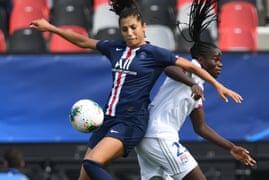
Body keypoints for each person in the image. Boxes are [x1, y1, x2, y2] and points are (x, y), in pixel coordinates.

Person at [30, 0, 243, 179]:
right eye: (125, 29)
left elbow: (189, 66)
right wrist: (51, 28)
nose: (130, 33)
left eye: (134, 28)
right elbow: (83, 41)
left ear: (143, 27)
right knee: (86, 174)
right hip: (108, 120)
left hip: (131, 122)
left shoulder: (154, 53)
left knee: (92, 163)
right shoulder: (115, 48)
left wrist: (218, 86)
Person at [135, 0, 256, 179]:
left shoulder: (200, 85)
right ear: (200, 59)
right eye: (216, 60)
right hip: (159, 136)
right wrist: (191, 83)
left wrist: (231, 147)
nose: (219, 65)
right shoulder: (191, 67)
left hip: (150, 139)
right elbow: (169, 68)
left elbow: (201, 127)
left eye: (221, 60)